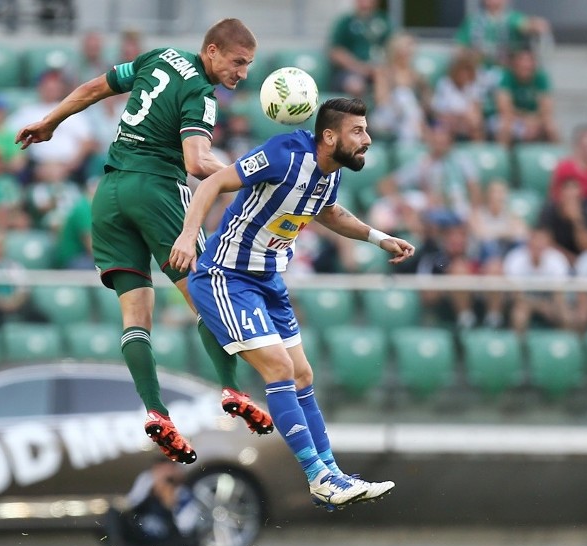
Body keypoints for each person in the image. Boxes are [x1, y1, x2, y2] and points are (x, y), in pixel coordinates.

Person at [15, 18, 273, 465]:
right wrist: (251, 179)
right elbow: (195, 161)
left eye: (247, 65)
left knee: (136, 314)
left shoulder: (159, 57)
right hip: (156, 189)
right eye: (237, 62)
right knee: (209, 298)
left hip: (109, 194)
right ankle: (232, 388)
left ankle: (156, 412)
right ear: (212, 51)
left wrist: (49, 121)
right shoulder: (201, 93)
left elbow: (96, 87)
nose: (242, 73)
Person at [170, 98, 414, 509]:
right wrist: (186, 235)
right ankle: (317, 476)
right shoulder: (283, 154)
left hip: (268, 279)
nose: (367, 140)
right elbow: (212, 182)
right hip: (226, 276)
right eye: (358, 131)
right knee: (280, 369)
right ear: (330, 136)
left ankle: (332, 474)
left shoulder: (329, 174)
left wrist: (378, 237)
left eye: (366, 130)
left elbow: (329, 213)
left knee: (302, 373)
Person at [100, 459, 200, 546]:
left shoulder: (183, 494)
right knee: (112, 512)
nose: (162, 476)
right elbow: (129, 504)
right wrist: (151, 492)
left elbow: (186, 528)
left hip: (166, 540)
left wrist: (170, 504)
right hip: (141, 533)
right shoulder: (146, 482)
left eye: (167, 472)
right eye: (159, 472)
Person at [502, 227, 572, 334]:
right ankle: (519, 348)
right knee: (519, 315)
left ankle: (564, 347)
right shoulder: (515, 259)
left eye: (542, 242)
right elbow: (516, 297)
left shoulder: (557, 260)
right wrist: (540, 307)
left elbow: (559, 296)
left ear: (548, 244)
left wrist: (553, 308)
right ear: (529, 243)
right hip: (525, 303)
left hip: (550, 302)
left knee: (566, 316)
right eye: (536, 241)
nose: (538, 245)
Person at [456, 0, 550, 69]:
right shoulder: (472, 20)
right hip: (477, 70)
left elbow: (525, 25)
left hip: (505, 70)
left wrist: (535, 25)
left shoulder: (512, 17)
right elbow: (460, 47)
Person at [328, 0, 394, 98]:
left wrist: (384, 67)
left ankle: (382, 112)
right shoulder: (346, 22)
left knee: (392, 81)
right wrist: (360, 68)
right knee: (355, 85)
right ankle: (358, 112)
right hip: (350, 72)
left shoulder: (384, 21)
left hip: (378, 70)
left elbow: (395, 46)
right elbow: (335, 52)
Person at [493, 48, 559, 146]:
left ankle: (555, 158)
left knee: (552, 127)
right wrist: (525, 120)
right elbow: (505, 109)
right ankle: (502, 158)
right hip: (514, 119)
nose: (525, 65)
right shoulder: (507, 77)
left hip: (535, 119)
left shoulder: (541, 77)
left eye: (529, 61)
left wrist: (535, 121)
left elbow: (547, 108)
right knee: (505, 127)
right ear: (515, 63)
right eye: (522, 61)